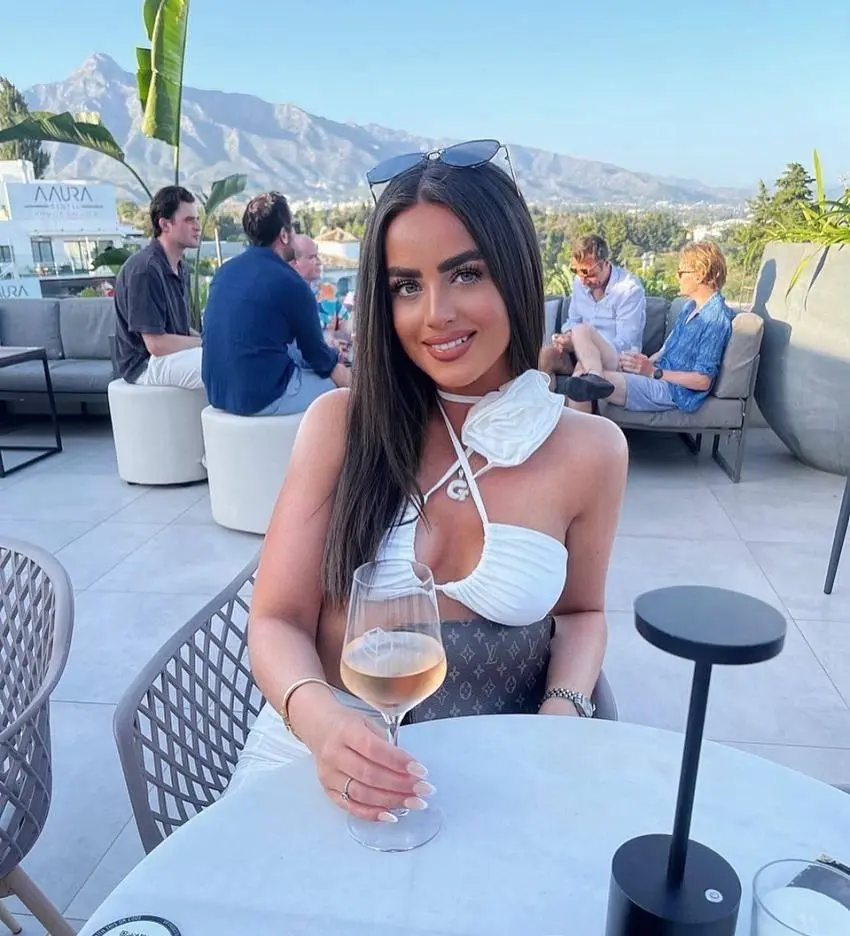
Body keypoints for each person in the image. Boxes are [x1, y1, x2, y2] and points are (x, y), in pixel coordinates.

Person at [233, 144, 628, 823]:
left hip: (491, 769)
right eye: (406, 287)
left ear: (516, 271)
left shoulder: (591, 452)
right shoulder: (341, 427)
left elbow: (581, 613)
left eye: (466, 273)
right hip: (321, 753)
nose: (435, 313)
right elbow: (275, 621)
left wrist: (562, 712)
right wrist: (322, 724)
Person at [201, 192, 350, 417]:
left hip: (217, 393)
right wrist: (347, 373)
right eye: (292, 229)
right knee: (341, 393)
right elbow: (318, 357)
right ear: (284, 235)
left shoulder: (224, 272)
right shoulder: (291, 282)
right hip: (262, 397)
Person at [563, 241, 734, 414]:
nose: (677, 278)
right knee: (580, 330)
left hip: (671, 390)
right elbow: (665, 350)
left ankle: (586, 405)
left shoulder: (715, 318)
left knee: (582, 381)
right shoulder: (689, 308)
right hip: (655, 374)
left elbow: (703, 380)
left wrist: (654, 372)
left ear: (700, 275)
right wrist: (642, 363)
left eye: (681, 272)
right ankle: (594, 375)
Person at [113, 186, 203, 388]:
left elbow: (179, 330)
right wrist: (205, 343)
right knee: (222, 367)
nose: (198, 226)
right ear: (165, 224)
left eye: (197, 219)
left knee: (231, 357)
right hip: (144, 364)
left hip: (169, 357)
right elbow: (156, 344)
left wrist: (213, 341)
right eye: (189, 220)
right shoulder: (145, 269)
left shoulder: (180, 268)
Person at [539, 234, 646, 389]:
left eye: (587, 272)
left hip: (616, 357)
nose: (583, 279)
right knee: (545, 357)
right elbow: (572, 321)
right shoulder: (580, 283)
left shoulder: (628, 290)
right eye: (576, 271)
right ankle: (546, 404)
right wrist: (568, 338)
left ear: (605, 263)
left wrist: (587, 346)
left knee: (582, 370)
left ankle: (588, 378)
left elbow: (625, 343)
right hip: (578, 351)